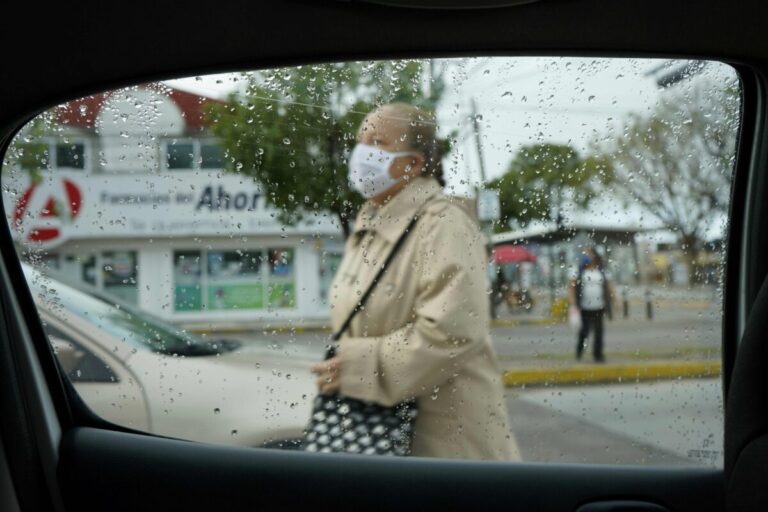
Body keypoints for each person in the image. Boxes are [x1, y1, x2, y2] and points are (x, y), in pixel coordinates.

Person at [311, 102, 520, 461]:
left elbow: (452, 331)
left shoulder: (443, 224)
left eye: (378, 142)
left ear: (413, 163)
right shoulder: (370, 224)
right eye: (360, 142)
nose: (362, 154)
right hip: (380, 434)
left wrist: (357, 368)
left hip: (447, 450)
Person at [568, 248, 616, 362]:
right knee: (584, 331)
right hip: (584, 306)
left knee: (599, 331)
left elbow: (609, 285)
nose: (587, 256)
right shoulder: (579, 270)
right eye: (585, 254)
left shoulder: (602, 270)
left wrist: (614, 300)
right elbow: (572, 286)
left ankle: (598, 355)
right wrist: (572, 301)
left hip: (599, 306)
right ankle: (579, 351)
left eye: (589, 254)